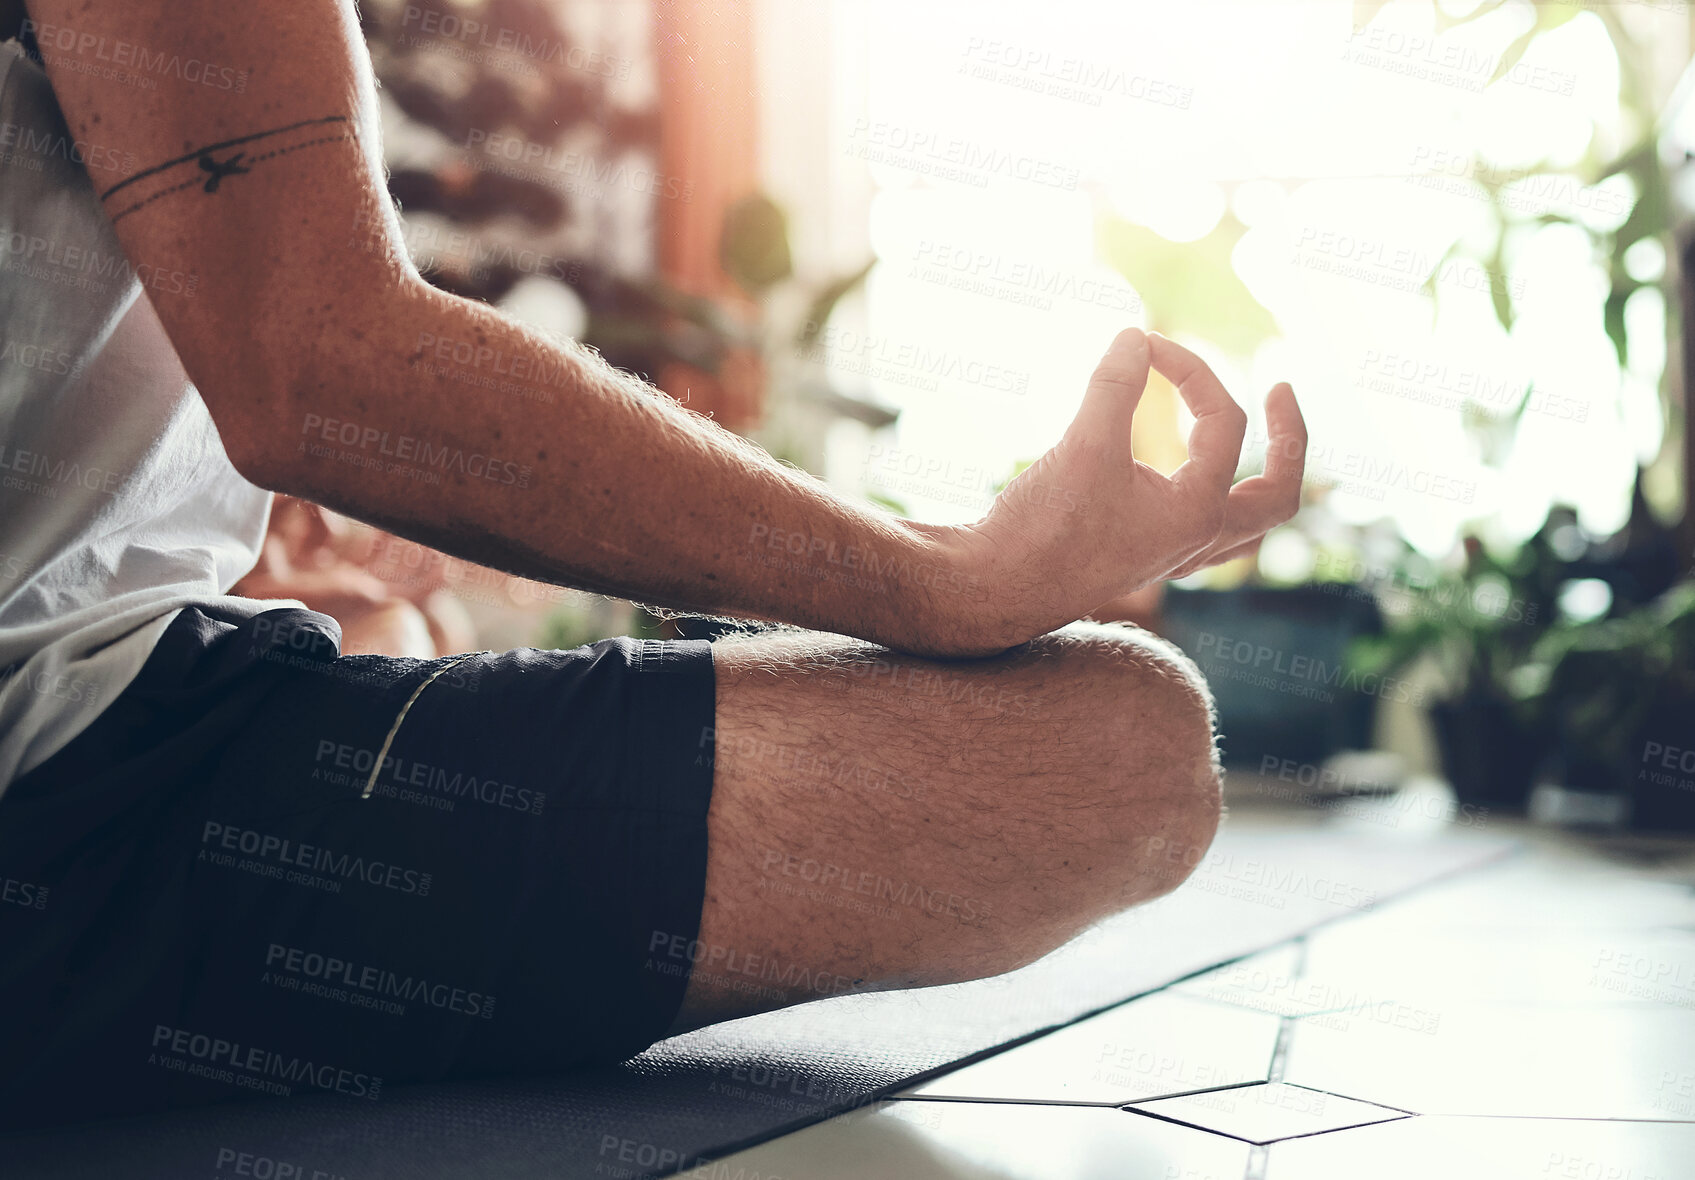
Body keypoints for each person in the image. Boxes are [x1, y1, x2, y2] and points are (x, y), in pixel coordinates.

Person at [0, 0, 1306, 1127]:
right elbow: (318, 360)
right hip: (74, 797)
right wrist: (946, 577)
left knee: (376, 631)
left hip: (104, 732)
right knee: (1114, 751)